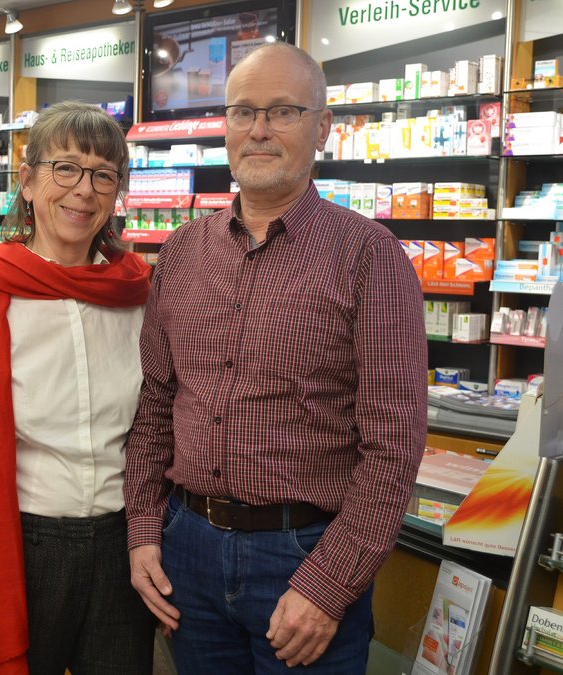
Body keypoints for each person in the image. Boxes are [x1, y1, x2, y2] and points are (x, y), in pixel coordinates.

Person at [125, 42, 427, 674]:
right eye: (242, 112)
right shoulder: (181, 253)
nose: (258, 130)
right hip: (189, 553)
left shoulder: (369, 256)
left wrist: (329, 586)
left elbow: (393, 447)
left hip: (306, 554)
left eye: (282, 112)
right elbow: (154, 405)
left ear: (321, 128)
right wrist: (145, 532)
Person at [0, 101, 155, 675]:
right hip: (21, 545)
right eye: (66, 168)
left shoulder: (138, 295)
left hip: (123, 545)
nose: (84, 190)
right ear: (27, 182)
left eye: (104, 174)